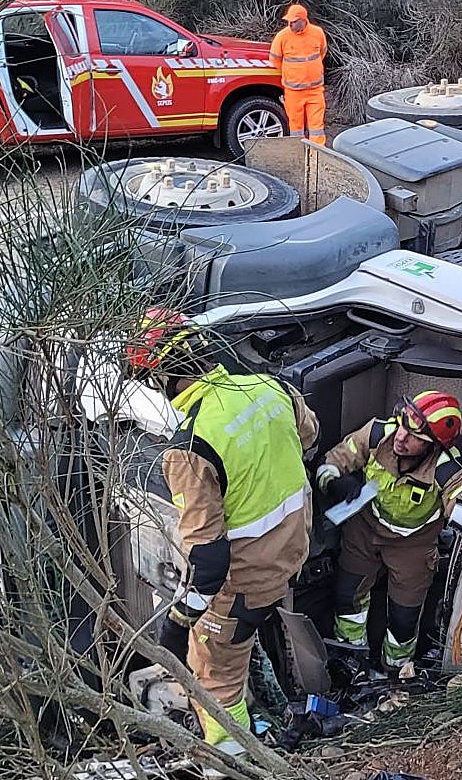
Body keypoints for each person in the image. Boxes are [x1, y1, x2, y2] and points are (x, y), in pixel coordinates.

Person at [126, 308, 319, 748]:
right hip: (292, 552)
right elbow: (309, 436)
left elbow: (209, 563)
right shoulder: (272, 389)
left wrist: (178, 623)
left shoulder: (189, 448)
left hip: (244, 583)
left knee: (215, 679)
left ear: (161, 378)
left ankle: (229, 757)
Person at [316, 390, 462, 670]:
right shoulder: (378, 434)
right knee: (347, 597)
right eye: (401, 425)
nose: (401, 437)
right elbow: (332, 461)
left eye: (414, 437)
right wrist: (335, 483)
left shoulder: (447, 469)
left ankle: (396, 669)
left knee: (404, 618)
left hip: (413, 544)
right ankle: (350, 657)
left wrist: (461, 514)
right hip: (364, 529)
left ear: (433, 446)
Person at [269, 3, 328, 146]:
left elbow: (322, 52)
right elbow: (275, 60)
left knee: (317, 128)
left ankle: (317, 156)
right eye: (289, 21)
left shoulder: (317, 32)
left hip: (315, 90)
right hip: (293, 92)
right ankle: (299, 155)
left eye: (294, 21)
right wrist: (292, 75)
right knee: (296, 128)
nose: (290, 24)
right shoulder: (282, 37)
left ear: (303, 20)